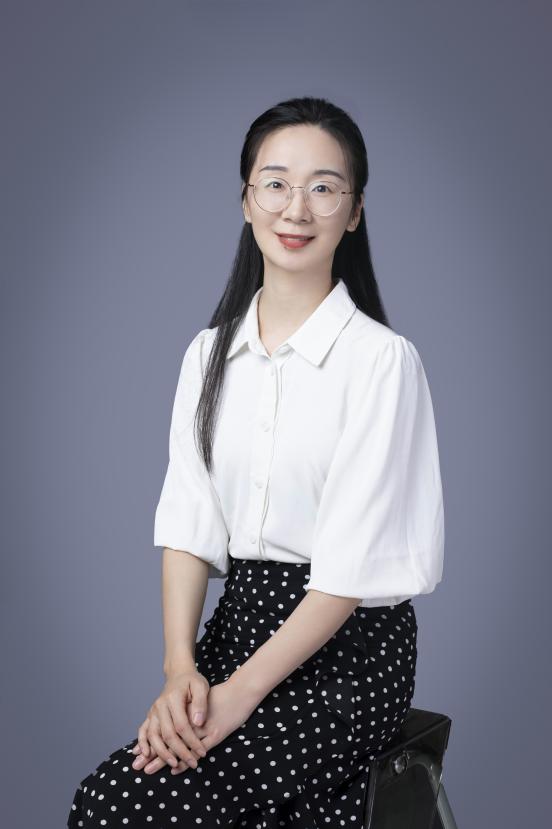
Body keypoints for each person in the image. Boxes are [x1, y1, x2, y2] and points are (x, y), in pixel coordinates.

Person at [67, 95, 444, 828]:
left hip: (348, 655)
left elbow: (347, 573)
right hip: (236, 629)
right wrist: (181, 669)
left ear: (355, 211)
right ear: (246, 201)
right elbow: (189, 527)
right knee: (107, 798)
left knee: (144, 810)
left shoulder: (381, 362)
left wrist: (237, 697)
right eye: (275, 183)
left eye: (324, 187)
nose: (296, 208)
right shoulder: (207, 355)